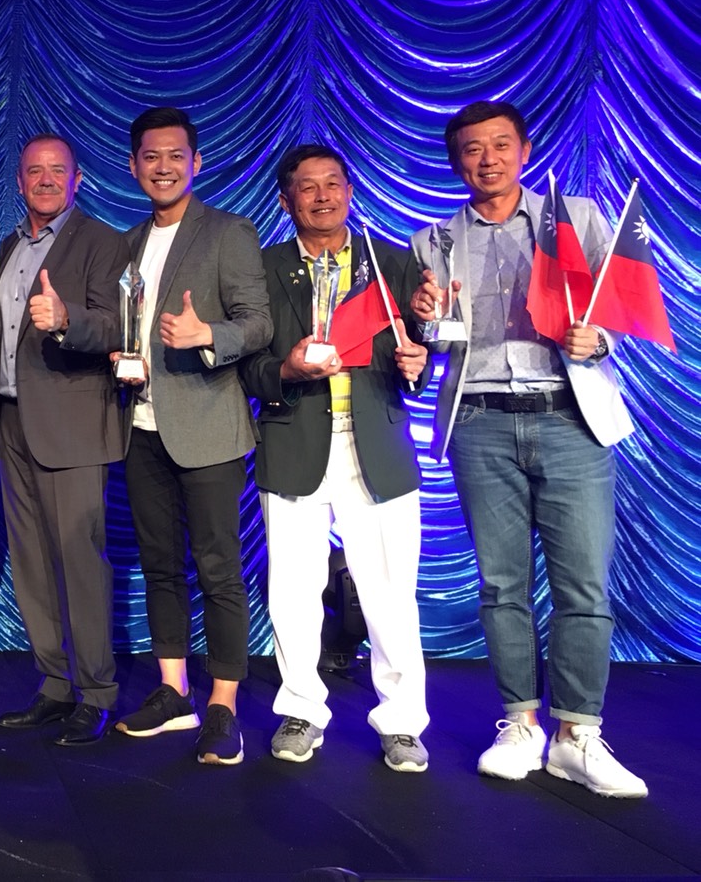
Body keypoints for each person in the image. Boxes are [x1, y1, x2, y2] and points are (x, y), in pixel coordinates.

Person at [410, 99, 646, 798]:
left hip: (569, 418)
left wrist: (599, 339)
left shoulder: (575, 219)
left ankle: (578, 735)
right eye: (472, 149)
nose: (487, 159)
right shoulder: (433, 241)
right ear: (457, 161)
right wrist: (424, 324)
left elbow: (616, 306)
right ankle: (520, 724)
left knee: (584, 586)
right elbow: (435, 341)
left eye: (500, 145)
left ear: (524, 150)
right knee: (501, 585)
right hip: (480, 422)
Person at [240, 143, 431, 772]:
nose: (322, 196)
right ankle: (301, 710)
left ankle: (401, 722)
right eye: (307, 186)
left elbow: (420, 352)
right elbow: (248, 364)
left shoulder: (391, 263)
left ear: (349, 190)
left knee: (390, 593)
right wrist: (286, 371)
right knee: (293, 590)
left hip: (376, 445)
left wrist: (420, 360)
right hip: (293, 441)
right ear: (286, 199)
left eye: (333, 183)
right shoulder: (262, 269)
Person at [111, 107, 272, 764]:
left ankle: (223, 705)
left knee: (218, 568)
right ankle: (174, 692)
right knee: (159, 565)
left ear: (196, 162)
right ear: (133, 166)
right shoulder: (125, 242)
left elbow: (258, 323)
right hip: (140, 427)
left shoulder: (228, 231)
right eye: (151, 157)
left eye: (176, 155)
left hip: (207, 427)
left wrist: (208, 335)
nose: (164, 167)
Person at [0, 134, 128, 747]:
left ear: (77, 179)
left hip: (73, 426)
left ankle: (96, 692)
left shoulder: (102, 241)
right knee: (31, 563)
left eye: (57, 170)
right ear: (19, 181)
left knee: (79, 562)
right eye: (33, 171)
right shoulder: (9, 245)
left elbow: (118, 324)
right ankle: (54, 685)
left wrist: (68, 319)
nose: (45, 179)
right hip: (12, 421)